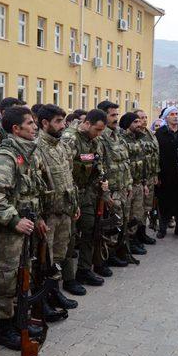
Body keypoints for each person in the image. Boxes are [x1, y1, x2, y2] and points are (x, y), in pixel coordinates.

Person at [0, 106, 62, 351]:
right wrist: (14, 220)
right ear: (15, 129)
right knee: (7, 282)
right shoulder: (5, 158)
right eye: (29, 123)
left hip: (25, 229)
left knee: (22, 279)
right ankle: (4, 329)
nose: (34, 126)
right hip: (8, 234)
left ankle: (19, 320)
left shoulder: (29, 154)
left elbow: (33, 193)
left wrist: (37, 217)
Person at [35, 104, 80, 310]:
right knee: (44, 259)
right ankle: (41, 298)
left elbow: (69, 177)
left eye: (63, 121)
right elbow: (34, 187)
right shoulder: (36, 147)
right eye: (58, 121)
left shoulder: (61, 145)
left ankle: (54, 292)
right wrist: (38, 217)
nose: (63, 125)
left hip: (65, 210)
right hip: (48, 214)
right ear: (45, 123)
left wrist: (75, 204)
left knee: (59, 257)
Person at [61, 109, 109, 292]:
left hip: (87, 194)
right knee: (70, 238)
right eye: (97, 129)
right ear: (87, 123)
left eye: (101, 131)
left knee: (89, 231)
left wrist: (102, 180)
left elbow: (98, 163)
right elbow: (64, 171)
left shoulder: (94, 140)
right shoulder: (70, 139)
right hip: (71, 196)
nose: (99, 134)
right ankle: (68, 278)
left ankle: (84, 269)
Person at [97, 100, 135, 266]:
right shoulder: (101, 137)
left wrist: (129, 185)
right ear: (103, 116)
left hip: (122, 188)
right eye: (112, 115)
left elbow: (125, 162)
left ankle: (119, 251)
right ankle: (106, 257)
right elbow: (99, 168)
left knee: (122, 223)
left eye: (116, 115)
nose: (116, 118)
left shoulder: (117, 135)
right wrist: (105, 194)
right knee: (110, 226)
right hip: (111, 191)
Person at [155, 106, 178, 239]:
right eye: (172, 114)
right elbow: (156, 155)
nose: (175, 116)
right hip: (165, 173)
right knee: (164, 202)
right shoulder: (160, 133)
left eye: (176, 113)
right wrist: (157, 174)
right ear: (166, 117)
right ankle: (162, 229)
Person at [119, 112, 149, 255]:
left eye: (139, 121)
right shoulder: (122, 140)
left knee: (136, 215)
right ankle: (124, 244)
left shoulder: (138, 139)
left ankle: (132, 239)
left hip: (138, 183)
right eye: (135, 122)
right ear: (128, 124)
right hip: (128, 185)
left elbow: (142, 163)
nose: (139, 124)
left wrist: (144, 183)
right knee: (126, 216)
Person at [134, 109, 159, 246]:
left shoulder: (149, 132)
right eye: (140, 118)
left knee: (146, 206)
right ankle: (136, 234)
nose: (144, 120)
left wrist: (155, 173)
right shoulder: (135, 135)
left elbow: (155, 154)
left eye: (145, 117)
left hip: (150, 175)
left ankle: (142, 232)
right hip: (140, 176)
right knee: (138, 207)